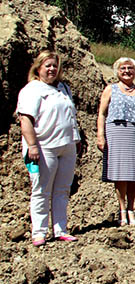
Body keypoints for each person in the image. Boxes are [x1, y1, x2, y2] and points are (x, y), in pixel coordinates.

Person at [16, 51, 82, 246]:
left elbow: (71, 116)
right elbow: (25, 119)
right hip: (44, 147)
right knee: (42, 190)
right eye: (48, 66)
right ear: (39, 68)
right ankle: (39, 232)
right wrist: (32, 145)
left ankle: (60, 229)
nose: (52, 69)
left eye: (55, 66)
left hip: (67, 145)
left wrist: (76, 138)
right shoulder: (32, 89)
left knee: (62, 189)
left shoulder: (63, 88)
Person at [97, 57, 135, 226]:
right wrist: (100, 135)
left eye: (130, 68)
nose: (127, 71)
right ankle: (122, 210)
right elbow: (102, 113)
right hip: (116, 132)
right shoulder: (111, 89)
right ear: (117, 71)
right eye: (123, 68)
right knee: (120, 174)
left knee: (133, 174)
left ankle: (131, 209)